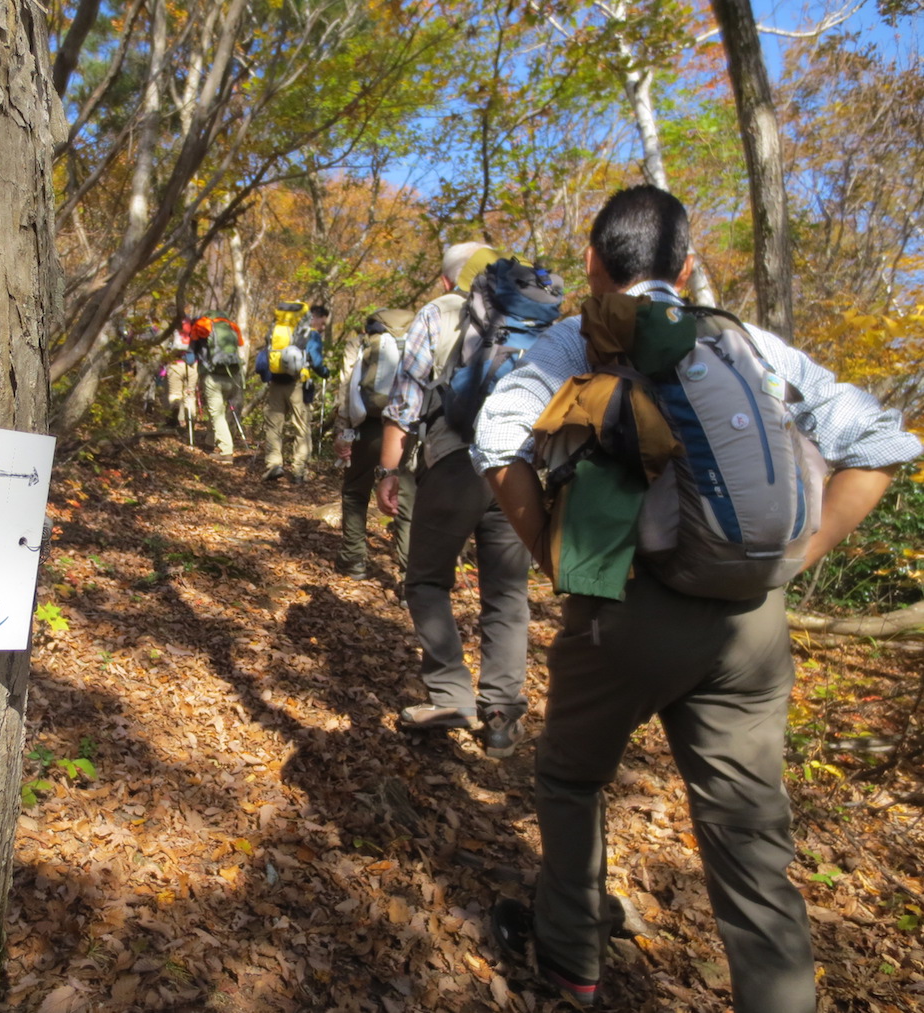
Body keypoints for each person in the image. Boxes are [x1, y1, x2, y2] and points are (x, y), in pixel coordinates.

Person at [474, 184, 921, 1010]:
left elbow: (497, 438)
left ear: (591, 263)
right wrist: (794, 556)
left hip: (628, 610)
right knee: (751, 841)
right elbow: (884, 441)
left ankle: (571, 960)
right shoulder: (745, 346)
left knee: (573, 778)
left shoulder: (580, 336)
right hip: (754, 622)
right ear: (685, 266)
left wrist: (551, 554)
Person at [374, 243, 532, 757]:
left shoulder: (438, 314)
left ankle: (452, 693)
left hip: (457, 463)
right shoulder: (530, 317)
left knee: (424, 579)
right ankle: (502, 712)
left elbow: (406, 398)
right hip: (522, 470)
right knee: (506, 595)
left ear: (448, 282)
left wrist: (389, 470)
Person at [333, 308, 416, 580]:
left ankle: (353, 559)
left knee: (356, 492)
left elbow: (346, 387)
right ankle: (408, 578)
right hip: (409, 430)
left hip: (369, 426)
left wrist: (342, 431)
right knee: (405, 498)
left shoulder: (361, 344)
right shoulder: (418, 339)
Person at [259, 303, 330, 484]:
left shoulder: (277, 330)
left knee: (274, 426)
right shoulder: (310, 334)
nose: (322, 327)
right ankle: (299, 471)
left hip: (275, 383)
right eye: (322, 322)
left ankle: (273, 465)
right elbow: (315, 361)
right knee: (301, 427)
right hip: (298, 385)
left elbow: (266, 355)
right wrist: (325, 372)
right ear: (312, 317)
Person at [190, 314, 245, 462]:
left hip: (213, 377)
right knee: (224, 411)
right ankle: (210, 441)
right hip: (234, 375)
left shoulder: (202, 329)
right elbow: (240, 345)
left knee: (216, 413)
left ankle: (226, 451)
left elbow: (191, 356)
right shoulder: (230, 327)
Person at [164, 316, 197, 432]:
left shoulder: (172, 326)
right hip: (193, 364)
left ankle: (172, 422)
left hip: (176, 363)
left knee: (175, 394)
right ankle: (191, 424)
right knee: (190, 395)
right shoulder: (194, 326)